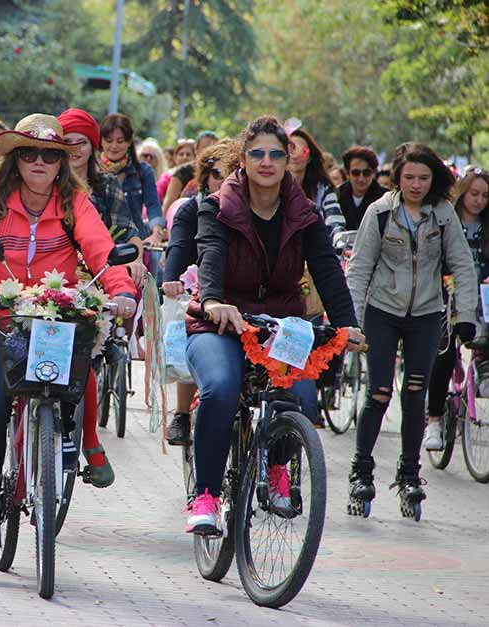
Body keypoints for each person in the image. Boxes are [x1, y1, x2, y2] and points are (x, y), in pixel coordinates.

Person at [0, 114, 137, 549]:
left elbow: (102, 250)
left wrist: (121, 289)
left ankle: (66, 443)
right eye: (28, 153)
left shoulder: (75, 205)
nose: (38, 162)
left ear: (60, 163)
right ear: (13, 159)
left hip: (52, 321)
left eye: (49, 155)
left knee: (69, 381)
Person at [182, 116, 363, 535]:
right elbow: (209, 254)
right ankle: (206, 494)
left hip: (283, 326)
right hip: (219, 324)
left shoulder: (305, 214)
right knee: (222, 388)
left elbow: (328, 272)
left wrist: (347, 325)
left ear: (289, 161)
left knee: (300, 393)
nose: (267, 161)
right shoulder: (217, 207)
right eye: (257, 153)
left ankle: (280, 468)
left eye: (276, 154)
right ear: (243, 160)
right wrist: (212, 301)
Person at [346, 143, 477, 517]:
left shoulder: (443, 215)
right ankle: (361, 470)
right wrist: (351, 323)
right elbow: (359, 269)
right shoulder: (380, 213)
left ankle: (409, 474)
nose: (416, 185)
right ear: (397, 177)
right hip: (382, 312)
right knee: (381, 392)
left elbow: (463, 266)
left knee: (415, 395)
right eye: (409, 178)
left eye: (423, 178)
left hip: (425, 314)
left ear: (433, 178)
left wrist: (465, 314)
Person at [160, 139, 239, 445]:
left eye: (232, 173)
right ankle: (181, 413)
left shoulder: (248, 208)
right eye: (217, 174)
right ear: (204, 178)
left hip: (238, 294)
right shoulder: (190, 210)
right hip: (198, 290)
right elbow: (178, 248)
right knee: (190, 331)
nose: (224, 181)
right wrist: (173, 280)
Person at [425, 168, 489, 450]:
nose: (479, 201)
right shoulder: (445, 220)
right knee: (445, 351)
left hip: (483, 296)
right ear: (462, 193)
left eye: (486, 196)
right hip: (448, 295)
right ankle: (435, 420)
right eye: (474, 194)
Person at [59, 107, 145, 287]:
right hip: (54, 277)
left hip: (102, 275)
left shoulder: (106, 185)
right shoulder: (47, 187)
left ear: (92, 147)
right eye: (68, 142)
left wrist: (136, 262)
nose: (75, 149)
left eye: (81, 142)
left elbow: (128, 232)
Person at [100, 113, 166, 246]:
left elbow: (153, 205)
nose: (114, 146)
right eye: (109, 140)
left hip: (136, 242)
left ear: (129, 142)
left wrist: (156, 233)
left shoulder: (143, 171)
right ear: (101, 141)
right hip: (101, 242)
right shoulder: (93, 171)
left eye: (120, 141)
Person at [160, 132, 218, 211]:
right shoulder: (183, 172)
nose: (210, 151)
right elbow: (167, 206)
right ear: (196, 150)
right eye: (205, 147)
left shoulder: (219, 172)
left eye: (213, 148)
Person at [338, 146, 387, 230]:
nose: (361, 179)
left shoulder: (385, 198)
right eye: (356, 173)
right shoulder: (336, 195)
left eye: (366, 173)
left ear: (374, 173)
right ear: (347, 174)